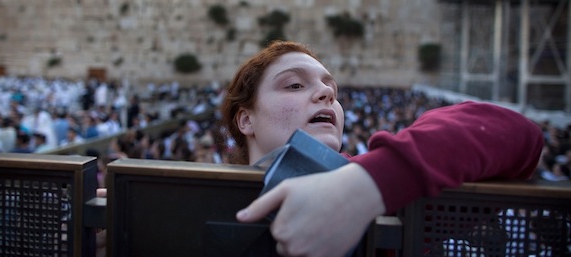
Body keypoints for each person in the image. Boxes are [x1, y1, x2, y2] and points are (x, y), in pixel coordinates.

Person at [219, 41, 544, 257]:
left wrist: (366, 186)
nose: (325, 93)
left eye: (330, 87)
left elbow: (518, 133)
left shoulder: (387, 188)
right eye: (294, 84)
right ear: (246, 119)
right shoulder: (189, 192)